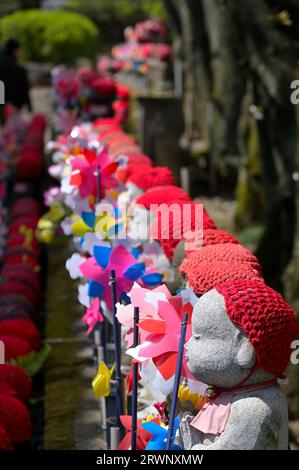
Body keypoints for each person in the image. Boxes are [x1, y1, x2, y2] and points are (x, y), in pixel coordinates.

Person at [0, 38, 32, 124]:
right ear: (15, 50)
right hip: (13, 107)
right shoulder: (18, 69)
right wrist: (29, 107)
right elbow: (24, 88)